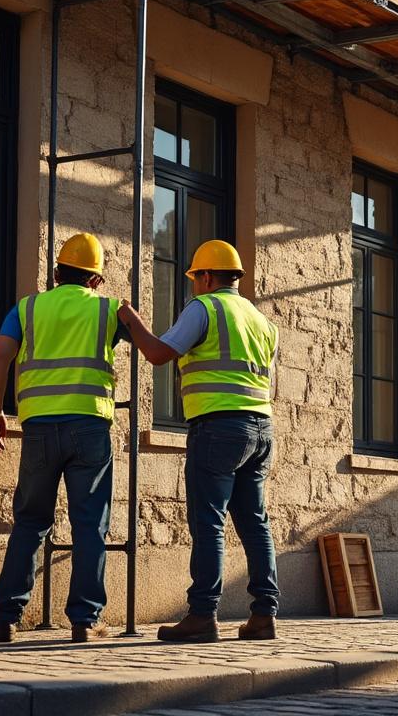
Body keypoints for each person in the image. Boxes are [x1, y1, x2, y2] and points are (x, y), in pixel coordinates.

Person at [118, 240, 280, 643]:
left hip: (218, 427)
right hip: (261, 428)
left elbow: (159, 354)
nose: (194, 285)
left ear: (206, 277)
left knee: (208, 522)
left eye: (195, 278)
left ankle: (203, 615)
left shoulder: (204, 308)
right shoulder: (260, 319)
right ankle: (264, 615)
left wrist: (131, 321)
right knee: (254, 522)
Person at [0, 234, 126, 643]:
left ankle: (5, 618)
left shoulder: (27, 308)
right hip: (90, 427)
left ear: (57, 272)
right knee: (90, 525)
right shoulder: (108, 309)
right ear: (96, 279)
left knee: (30, 521)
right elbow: (153, 347)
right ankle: (85, 620)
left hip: (39, 429)